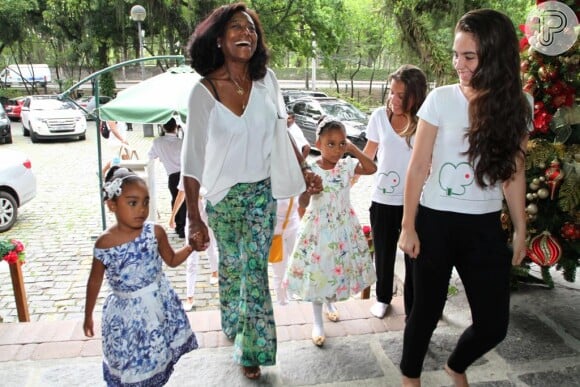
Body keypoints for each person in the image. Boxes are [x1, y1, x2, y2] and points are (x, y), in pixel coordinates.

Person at [183, 3, 322, 380]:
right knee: (231, 267)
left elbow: (282, 131)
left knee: (253, 270)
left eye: (251, 29)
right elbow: (191, 159)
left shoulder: (267, 81)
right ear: (217, 38)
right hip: (221, 199)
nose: (247, 34)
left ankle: (251, 348)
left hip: (262, 194)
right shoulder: (204, 92)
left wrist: (305, 169)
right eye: (236, 28)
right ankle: (233, 323)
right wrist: (194, 219)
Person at [397, 9, 531, 387]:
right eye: (456, 55)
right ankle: (410, 378)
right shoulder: (441, 99)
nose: (459, 64)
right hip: (435, 222)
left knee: (493, 325)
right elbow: (418, 165)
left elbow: (513, 173)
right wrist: (408, 225)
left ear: (496, 54)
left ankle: (456, 365)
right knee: (423, 313)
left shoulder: (519, 105)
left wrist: (520, 228)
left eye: (468, 56)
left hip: (485, 228)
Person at [83, 166, 198, 386]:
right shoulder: (104, 243)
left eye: (146, 202)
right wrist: (88, 315)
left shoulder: (155, 232)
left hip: (158, 308)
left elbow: (172, 260)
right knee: (131, 361)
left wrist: (191, 247)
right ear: (112, 205)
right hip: (126, 317)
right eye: (133, 203)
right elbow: (94, 281)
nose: (142, 209)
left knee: (156, 358)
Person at [285, 117, 377, 347]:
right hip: (319, 230)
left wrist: (354, 148)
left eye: (340, 143)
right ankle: (317, 321)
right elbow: (303, 202)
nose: (336, 150)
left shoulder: (347, 166)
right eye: (330, 143)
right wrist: (309, 190)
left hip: (344, 227)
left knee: (335, 271)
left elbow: (371, 167)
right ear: (318, 143)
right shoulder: (311, 170)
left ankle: (330, 303)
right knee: (318, 273)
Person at [362, 65, 427, 319]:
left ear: (416, 95)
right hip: (383, 199)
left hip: (416, 201)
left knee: (414, 257)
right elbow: (369, 154)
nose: (394, 100)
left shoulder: (425, 121)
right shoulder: (379, 117)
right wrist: (348, 178)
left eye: (401, 95)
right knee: (383, 252)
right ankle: (382, 297)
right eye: (392, 93)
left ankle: (414, 305)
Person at [270, 113, 311, 305]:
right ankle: (282, 302)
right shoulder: (266, 171)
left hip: (293, 225)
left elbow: (303, 202)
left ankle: (292, 294)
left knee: (295, 264)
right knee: (279, 269)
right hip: (275, 231)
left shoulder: (296, 170)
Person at [169, 186, 219, 311]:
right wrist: (173, 216)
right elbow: (181, 194)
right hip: (192, 220)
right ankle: (189, 296)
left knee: (211, 248)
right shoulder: (186, 171)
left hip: (209, 218)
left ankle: (215, 272)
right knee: (191, 259)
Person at [148, 117, 186, 238]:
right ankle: (184, 226)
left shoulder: (158, 142)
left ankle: (179, 226)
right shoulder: (182, 142)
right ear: (176, 127)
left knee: (175, 199)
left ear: (163, 127)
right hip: (184, 173)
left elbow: (150, 156)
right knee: (185, 201)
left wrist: (162, 156)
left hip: (172, 175)